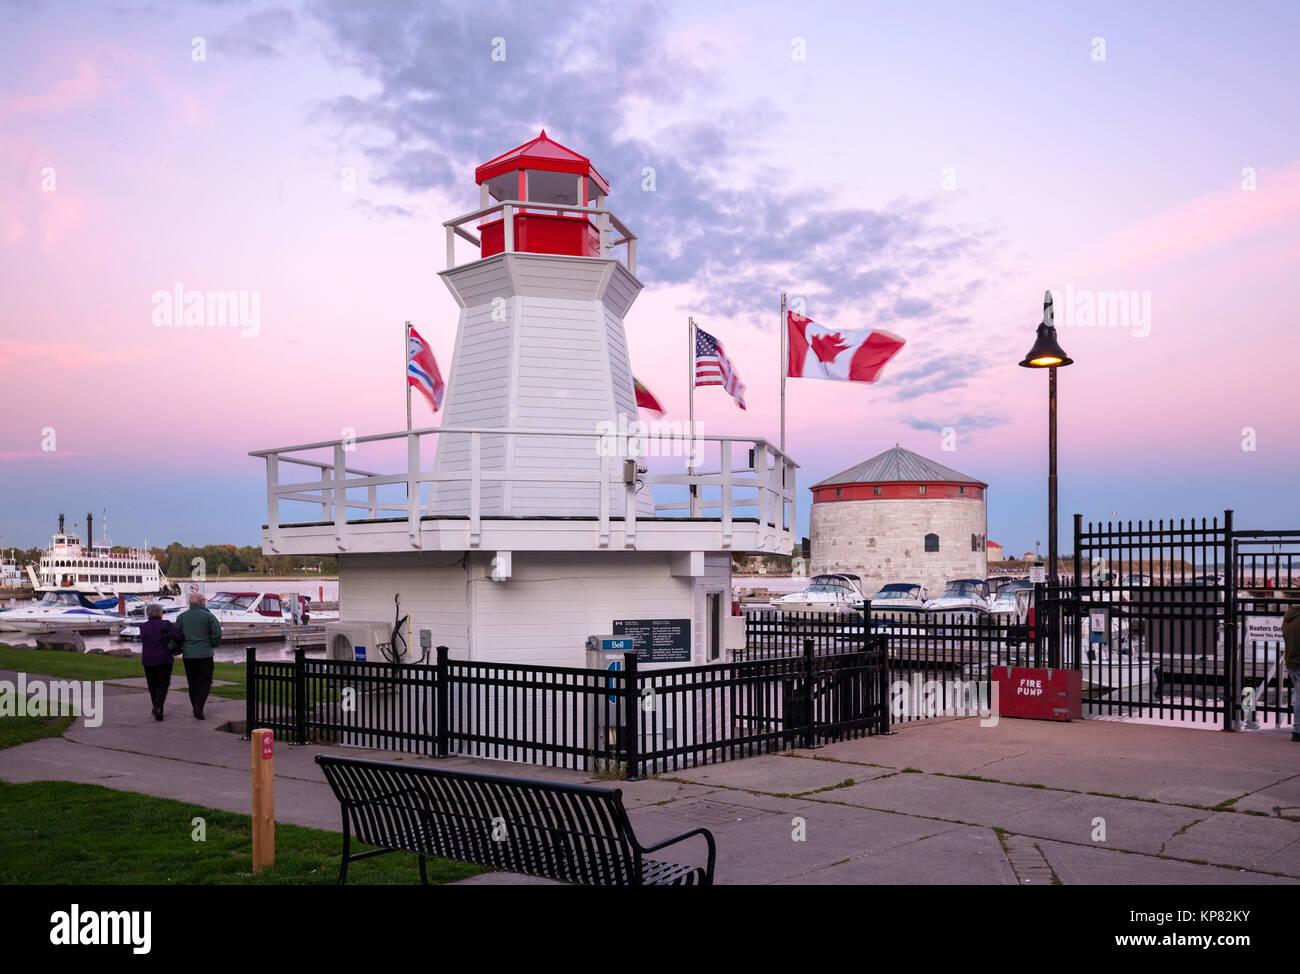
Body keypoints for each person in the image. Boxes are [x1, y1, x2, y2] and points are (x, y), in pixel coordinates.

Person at [176, 591, 222, 719]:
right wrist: (212, 644)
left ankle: (195, 705)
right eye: (204, 600)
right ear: (202, 602)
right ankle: (199, 707)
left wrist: (182, 646)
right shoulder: (208, 616)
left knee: (192, 682)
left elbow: (177, 635)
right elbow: (217, 633)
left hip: (188, 655)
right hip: (204, 654)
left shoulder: (181, 617)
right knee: (205, 681)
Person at [139, 603, 183, 721]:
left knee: (152, 685)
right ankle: (158, 707)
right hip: (164, 658)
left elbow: (144, 639)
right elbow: (179, 637)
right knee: (163, 684)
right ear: (160, 613)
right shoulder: (166, 624)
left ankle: (157, 707)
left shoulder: (143, 627)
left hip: (148, 660)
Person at [1284, 603, 1300, 743]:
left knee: (1298, 697)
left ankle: (1297, 729)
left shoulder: (1289, 616)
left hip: (1291, 662)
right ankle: (1297, 730)